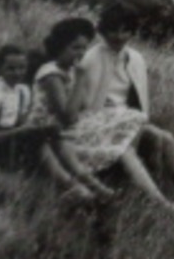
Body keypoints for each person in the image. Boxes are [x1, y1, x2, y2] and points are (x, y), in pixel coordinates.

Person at [70, 2, 174, 210]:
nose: (119, 35)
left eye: (125, 30)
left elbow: (140, 103)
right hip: (99, 124)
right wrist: (118, 120)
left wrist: (135, 120)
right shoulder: (92, 58)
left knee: (165, 138)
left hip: (128, 120)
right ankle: (160, 203)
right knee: (129, 144)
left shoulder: (135, 59)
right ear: (103, 31)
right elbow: (86, 107)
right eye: (113, 30)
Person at [25, 17, 118, 202]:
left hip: (59, 130)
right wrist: (81, 79)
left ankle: (97, 189)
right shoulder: (51, 73)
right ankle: (80, 189)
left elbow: (81, 107)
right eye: (75, 48)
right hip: (42, 129)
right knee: (66, 155)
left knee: (76, 159)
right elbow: (67, 115)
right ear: (60, 46)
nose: (81, 53)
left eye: (84, 48)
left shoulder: (70, 71)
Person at [0, 45, 54, 170]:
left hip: (8, 139)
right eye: (11, 69)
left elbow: (20, 122)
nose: (17, 73)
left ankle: (74, 172)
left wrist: (35, 124)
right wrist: (21, 131)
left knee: (50, 134)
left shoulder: (22, 91)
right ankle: (68, 179)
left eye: (22, 68)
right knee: (38, 141)